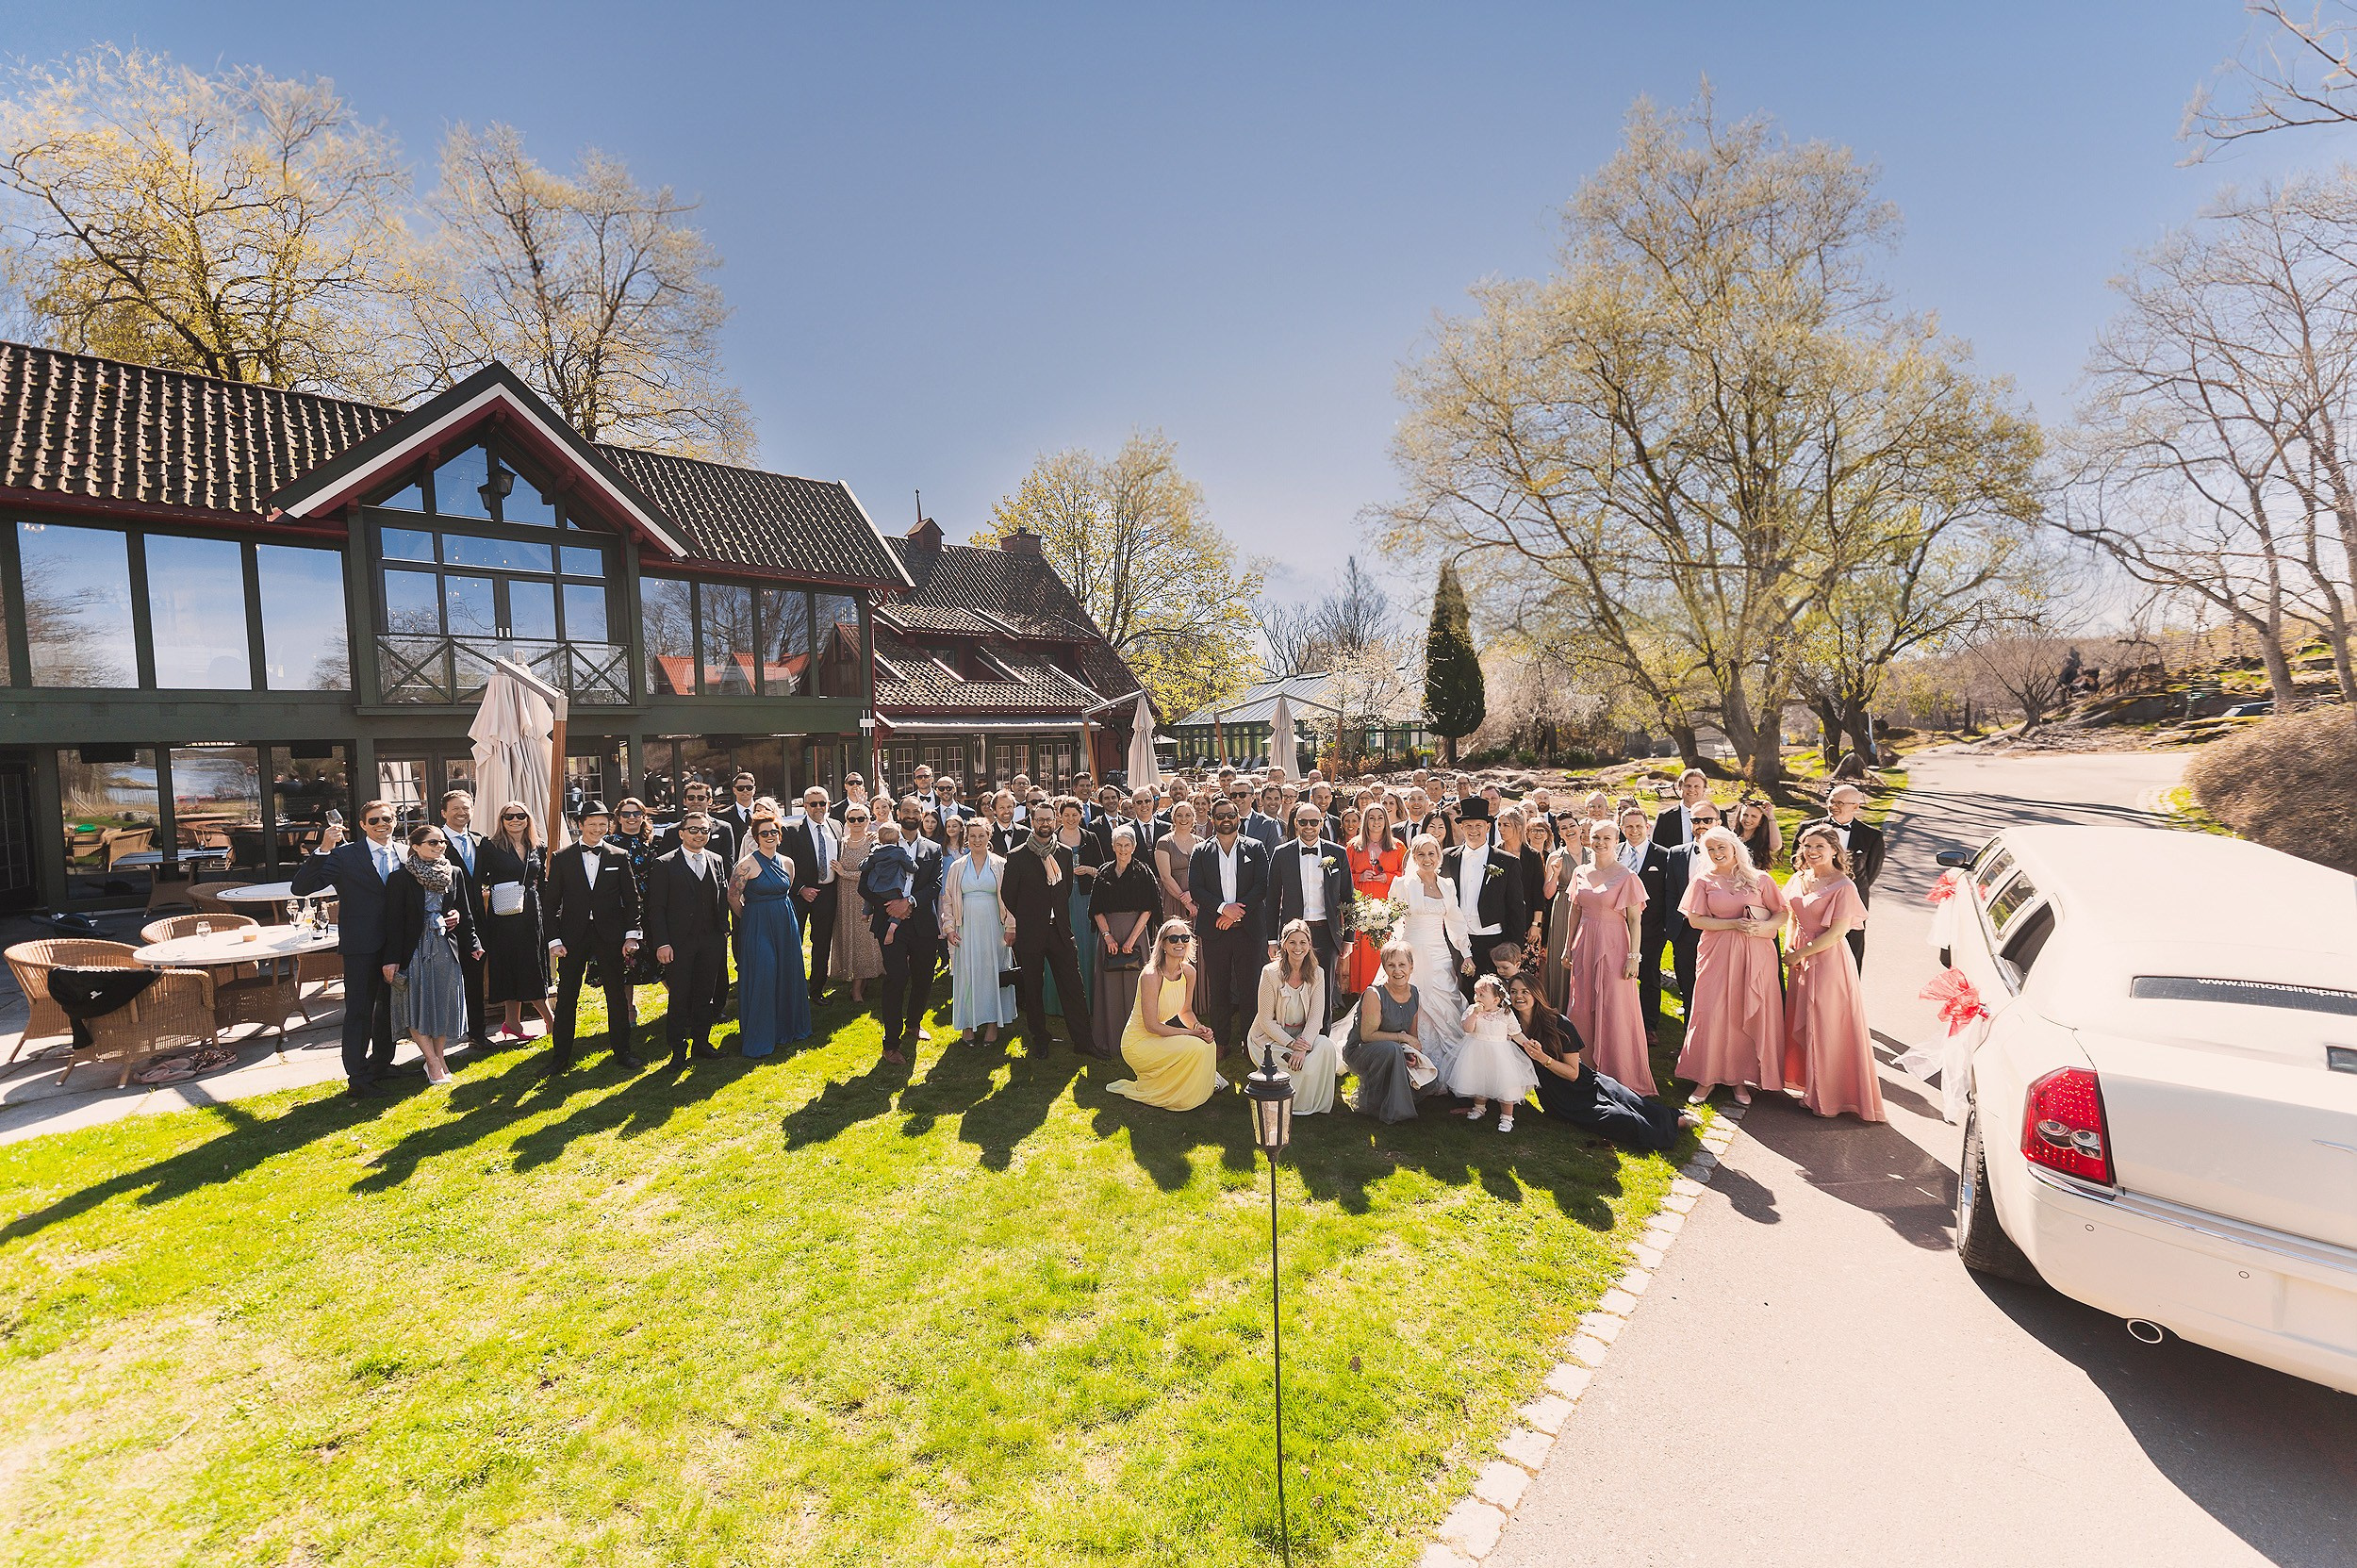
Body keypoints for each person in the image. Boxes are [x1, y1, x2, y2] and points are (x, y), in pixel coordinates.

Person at [291, 799, 412, 1098]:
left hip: (396, 944)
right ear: (362, 825)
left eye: (387, 819)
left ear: (395, 821)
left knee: (389, 1007)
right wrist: (323, 849)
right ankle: (357, 1076)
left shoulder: (405, 851)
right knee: (359, 1010)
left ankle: (382, 1063)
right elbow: (301, 888)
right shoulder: (345, 855)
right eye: (374, 820)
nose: (382, 824)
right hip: (361, 945)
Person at [1508, 976, 1694, 1152]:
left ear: (1536, 994)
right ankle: (1665, 1127)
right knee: (1620, 1119)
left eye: (1525, 991)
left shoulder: (1559, 1023)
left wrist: (1544, 1059)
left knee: (1634, 1102)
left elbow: (1573, 1073)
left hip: (1586, 1084)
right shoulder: (1511, 1027)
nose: (1519, 996)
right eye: (1514, 992)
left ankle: (1674, 1118)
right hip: (1559, 1099)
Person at [1673, 826, 1788, 1107]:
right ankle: (1706, 1077)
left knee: (1741, 1012)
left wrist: (1764, 927)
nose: (1716, 853)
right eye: (1710, 849)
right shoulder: (1703, 881)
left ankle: (1739, 1078)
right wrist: (1733, 924)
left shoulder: (1760, 879)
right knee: (1711, 1012)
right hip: (1717, 953)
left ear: (1734, 846)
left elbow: (1781, 912)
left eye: (1720, 847)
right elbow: (1696, 920)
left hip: (1755, 954)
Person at [1781, 823, 1885, 1122]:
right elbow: (1792, 915)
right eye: (1807, 846)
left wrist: (1801, 952)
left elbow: (1838, 933)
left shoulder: (1844, 886)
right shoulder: (1800, 878)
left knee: (1825, 1025)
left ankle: (1831, 1097)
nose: (1812, 852)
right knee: (1804, 1021)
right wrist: (1791, 945)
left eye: (1819, 847)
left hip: (1828, 962)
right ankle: (1810, 1086)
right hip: (1801, 958)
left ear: (1834, 851)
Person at [545, 801, 645, 1074]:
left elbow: (632, 899)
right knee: (567, 997)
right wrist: (554, 940)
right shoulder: (562, 857)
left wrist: (631, 936)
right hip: (573, 936)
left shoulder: (618, 855)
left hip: (610, 935)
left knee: (616, 995)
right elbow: (550, 903)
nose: (598, 829)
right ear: (580, 825)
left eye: (603, 824)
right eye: (592, 824)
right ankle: (560, 1057)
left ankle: (623, 1051)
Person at [999, 807, 1105, 1057]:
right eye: (1040, 819)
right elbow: (1008, 896)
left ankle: (1084, 1041)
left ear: (1054, 821)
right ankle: (1040, 1039)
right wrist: (1030, 917)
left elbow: (1065, 889)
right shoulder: (1017, 856)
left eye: (1049, 819)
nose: (1045, 823)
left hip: (1060, 931)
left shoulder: (1065, 854)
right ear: (1033, 822)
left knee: (1073, 986)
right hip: (1031, 933)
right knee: (1034, 988)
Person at [1560, 817, 1655, 1095]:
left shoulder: (1627, 876)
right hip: (1584, 941)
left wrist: (1633, 956)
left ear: (1617, 842)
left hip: (1615, 944)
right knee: (1582, 1004)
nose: (1600, 843)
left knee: (1615, 1006)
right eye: (1596, 837)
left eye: (1606, 838)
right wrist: (1568, 946)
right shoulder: (1580, 872)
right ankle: (1582, 1068)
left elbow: (1635, 920)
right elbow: (1575, 911)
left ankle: (1619, 1071)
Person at [384, 822, 480, 1086]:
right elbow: (393, 921)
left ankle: (437, 1056)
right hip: (414, 948)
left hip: (445, 948)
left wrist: (472, 942)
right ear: (415, 847)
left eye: (442, 842)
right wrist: (391, 958)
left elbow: (465, 911)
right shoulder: (400, 878)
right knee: (417, 1004)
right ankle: (434, 1061)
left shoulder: (454, 873)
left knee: (442, 1002)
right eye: (433, 842)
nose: (440, 846)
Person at [1187, 796, 1272, 1055]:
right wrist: (1224, 909)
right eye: (1220, 816)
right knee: (1219, 988)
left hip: (1248, 930)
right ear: (1213, 820)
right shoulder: (1201, 851)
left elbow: (1261, 886)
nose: (1226, 820)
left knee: (1250, 988)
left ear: (1239, 818)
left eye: (1231, 815)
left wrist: (1236, 913)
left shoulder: (1255, 848)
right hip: (1216, 931)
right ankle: (1221, 1041)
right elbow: (1196, 889)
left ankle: (1249, 1041)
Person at [861, 801, 944, 1067]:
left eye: (915, 812)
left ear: (922, 815)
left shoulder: (933, 849)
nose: (910, 816)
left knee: (923, 977)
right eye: (905, 812)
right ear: (898, 815)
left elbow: (935, 885)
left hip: (922, 924)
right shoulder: (882, 845)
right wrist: (890, 905)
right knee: (896, 978)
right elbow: (864, 885)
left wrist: (909, 903)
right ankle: (891, 1043)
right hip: (889, 924)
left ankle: (914, 1024)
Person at [1108, 919, 1222, 1110]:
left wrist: (1198, 1028)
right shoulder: (1151, 975)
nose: (1180, 943)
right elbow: (1151, 1026)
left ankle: (1194, 1091)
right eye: (1174, 939)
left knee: (1209, 1044)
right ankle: (1183, 1098)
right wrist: (1190, 1034)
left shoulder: (1189, 972)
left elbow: (1185, 1011)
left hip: (1159, 1037)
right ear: (1163, 945)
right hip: (1138, 1043)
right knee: (1196, 1047)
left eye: (1185, 938)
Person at [645, 812, 731, 1065]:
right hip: (678, 943)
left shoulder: (716, 860)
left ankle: (702, 1043)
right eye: (693, 830)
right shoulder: (664, 863)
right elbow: (656, 908)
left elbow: (721, 897)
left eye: (704, 830)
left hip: (711, 940)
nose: (699, 835)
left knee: (706, 995)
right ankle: (678, 1050)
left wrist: (722, 931)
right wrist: (662, 942)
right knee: (680, 996)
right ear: (681, 834)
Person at [731, 814, 812, 1056]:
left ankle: (787, 1027)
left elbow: (786, 889)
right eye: (764, 833)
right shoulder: (746, 864)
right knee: (764, 972)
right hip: (758, 923)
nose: (769, 836)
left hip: (785, 921)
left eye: (773, 832)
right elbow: (733, 897)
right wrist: (751, 918)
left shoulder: (787, 862)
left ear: (780, 835)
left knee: (788, 971)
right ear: (756, 838)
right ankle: (761, 1034)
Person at [476, 801, 553, 1044]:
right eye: (509, 816)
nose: (515, 820)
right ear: (502, 820)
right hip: (503, 916)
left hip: (531, 912)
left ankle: (512, 1023)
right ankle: (551, 1021)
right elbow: (479, 879)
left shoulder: (538, 847)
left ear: (528, 819)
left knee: (532, 963)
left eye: (520, 815)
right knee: (512, 965)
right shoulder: (490, 847)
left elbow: (544, 881)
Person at [1250, 919, 1341, 1114]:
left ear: (1309, 945)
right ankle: (1286, 1102)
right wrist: (1292, 1045)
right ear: (1284, 944)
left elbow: (1317, 1017)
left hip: (1302, 1035)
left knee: (1325, 1048)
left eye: (1302, 942)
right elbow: (1265, 1020)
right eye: (1292, 942)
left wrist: (1303, 1046)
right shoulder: (1270, 973)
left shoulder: (1318, 973)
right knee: (1289, 1061)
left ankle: (1310, 1104)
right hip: (1271, 1037)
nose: (1297, 948)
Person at [1268, 803, 1347, 1025]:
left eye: (1314, 822)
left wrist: (1348, 938)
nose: (1309, 826)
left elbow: (1348, 898)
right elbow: (1272, 899)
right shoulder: (1282, 853)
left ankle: (1322, 1040)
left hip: (1326, 932)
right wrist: (1273, 939)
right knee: (1294, 986)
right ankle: (1294, 1036)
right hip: (1294, 934)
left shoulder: (1337, 853)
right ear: (1296, 824)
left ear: (1321, 823)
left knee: (1324, 989)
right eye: (1303, 822)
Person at [943, 816, 1017, 1048]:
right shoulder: (957, 867)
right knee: (968, 973)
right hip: (966, 928)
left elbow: (1011, 898)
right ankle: (968, 1024)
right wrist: (949, 928)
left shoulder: (1001, 864)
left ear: (989, 837)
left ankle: (993, 1023)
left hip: (994, 926)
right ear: (966, 839)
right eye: (972, 836)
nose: (977, 840)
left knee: (992, 971)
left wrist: (1011, 927)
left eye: (981, 836)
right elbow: (947, 901)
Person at [1089, 823, 1162, 1058]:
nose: (1123, 849)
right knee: (1108, 989)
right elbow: (1096, 908)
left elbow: (1149, 909)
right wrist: (1108, 936)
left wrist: (1132, 939)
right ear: (1112, 846)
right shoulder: (1103, 872)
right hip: (1108, 936)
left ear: (1134, 846)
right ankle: (1110, 1039)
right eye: (1119, 845)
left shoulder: (1143, 872)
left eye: (1127, 845)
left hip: (1136, 935)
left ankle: (1139, 1041)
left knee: (1136, 988)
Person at [1793, 784, 1885, 969]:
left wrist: (1844, 891)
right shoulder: (1807, 828)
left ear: (1856, 807)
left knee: (1851, 952)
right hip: (1814, 899)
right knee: (1812, 946)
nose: (1834, 806)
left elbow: (1870, 872)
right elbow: (1798, 864)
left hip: (1850, 903)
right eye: (1831, 801)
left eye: (1840, 802)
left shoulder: (1871, 836)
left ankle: (1849, 993)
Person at [1343, 941, 1437, 1123]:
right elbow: (1367, 1036)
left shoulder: (1415, 993)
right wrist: (1401, 1038)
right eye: (1391, 965)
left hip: (1393, 1049)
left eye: (1402, 965)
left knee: (1429, 1078)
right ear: (1384, 967)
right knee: (1391, 1050)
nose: (1397, 971)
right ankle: (1390, 1109)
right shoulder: (1374, 994)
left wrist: (1412, 1055)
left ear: (1411, 966)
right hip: (1362, 1050)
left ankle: (1394, 1100)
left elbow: (1413, 1036)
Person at [1441, 800, 1524, 999]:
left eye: (1479, 825)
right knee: (1457, 994)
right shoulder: (1447, 857)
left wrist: (1514, 947)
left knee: (1490, 997)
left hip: (1491, 941)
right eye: (1468, 825)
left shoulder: (1507, 862)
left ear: (1488, 827)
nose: (1473, 830)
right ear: (1461, 827)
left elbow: (1516, 908)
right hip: (1457, 940)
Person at [1448, 973, 1540, 1130]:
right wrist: (1475, 1014)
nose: (1477, 998)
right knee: (1479, 1080)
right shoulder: (1472, 1010)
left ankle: (1507, 1117)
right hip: (1477, 1053)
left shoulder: (1505, 1013)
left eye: (1482, 995)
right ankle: (1479, 1108)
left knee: (1506, 1085)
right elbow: (1467, 1029)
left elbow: (1515, 1033)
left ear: (1496, 1000)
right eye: (1476, 994)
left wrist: (1527, 1043)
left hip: (1501, 1055)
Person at [437, 790, 491, 1051]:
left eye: (466, 808)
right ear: (444, 813)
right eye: (455, 808)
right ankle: (440, 1038)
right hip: (445, 923)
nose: (461, 813)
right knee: (442, 981)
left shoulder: (480, 841)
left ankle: (477, 1034)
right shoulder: (434, 841)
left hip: (477, 921)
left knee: (474, 978)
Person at [1390, 831, 1472, 1000]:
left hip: (1439, 951)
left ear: (1438, 855)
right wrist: (1394, 948)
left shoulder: (1447, 885)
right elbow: (1394, 920)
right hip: (1410, 948)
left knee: (1443, 994)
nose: (1427, 859)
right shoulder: (1402, 884)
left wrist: (1466, 953)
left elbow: (1455, 922)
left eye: (1431, 854)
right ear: (1414, 857)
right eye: (1421, 854)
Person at [781, 787, 843, 1003]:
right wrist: (800, 889)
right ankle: (792, 989)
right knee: (793, 942)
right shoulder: (791, 830)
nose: (818, 808)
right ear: (805, 806)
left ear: (828, 804)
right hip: (799, 895)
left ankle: (816, 990)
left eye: (822, 803)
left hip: (827, 893)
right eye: (813, 804)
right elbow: (783, 867)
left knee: (822, 942)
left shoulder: (836, 826)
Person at [1341, 802, 1407, 997]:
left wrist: (1388, 877)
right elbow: (1344, 877)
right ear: (1365, 821)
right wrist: (1359, 877)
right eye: (1371, 818)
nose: (1376, 822)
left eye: (1380, 818)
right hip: (1361, 903)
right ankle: (1361, 991)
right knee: (1363, 949)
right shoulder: (1353, 846)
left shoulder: (1398, 846)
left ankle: (1386, 991)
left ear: (1386, 821)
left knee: (1384, 948)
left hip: (1387, 904)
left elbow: (1406, 876)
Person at [1045, 797, 1102, 1017]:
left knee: (1085, 946)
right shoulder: (1051, 838)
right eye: (1066, 815)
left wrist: (1088, 870)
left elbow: (1103, 869)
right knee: (1059, 945)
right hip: (1059, 900)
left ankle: (1087, 1000)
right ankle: (1057, 1002)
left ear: (1082, 815)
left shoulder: (1091, 838)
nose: (1070, 819)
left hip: (1085, 899)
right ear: (1060, 816)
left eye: (1075, 815)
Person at [1662, 801, 1721, 1015]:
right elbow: (1670, 893)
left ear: (1718, 823)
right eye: (1696, 820)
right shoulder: (1676, 853)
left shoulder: (1731, 854)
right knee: (1687, 981)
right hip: (1684, 930)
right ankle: (1689, 1031)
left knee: (1716, 984)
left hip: (1718, 929)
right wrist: (1672, 926)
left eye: (1707, 820)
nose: (1701, 824)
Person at [1617, 804, 1667, 1040]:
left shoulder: (1663, 855)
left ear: (1647, 827)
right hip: (1617, 927)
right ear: (1622, 828)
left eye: (1638, 826)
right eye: (1629, 826)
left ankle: (1649, 1026)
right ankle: (1621, 1021)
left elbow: (1668, 893)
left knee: (1649, 975)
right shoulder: (1614, 853)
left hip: (1652, 928)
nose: (1634, 830)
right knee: (1617, 975)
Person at [832, 801, 884, 1003]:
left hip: (866, 898)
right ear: (846, 821)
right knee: (850, 938)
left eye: (861, 818)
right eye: (851, 819)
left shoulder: (873, 842)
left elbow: (873, 872)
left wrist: (845, 873)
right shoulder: (841, 843)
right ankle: (858, 981)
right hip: (845, 898)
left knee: (866, 940)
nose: (856, 822)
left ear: (868, 820)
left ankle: (858, 987)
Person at [1653, 768, 1713, 850]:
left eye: (1697, 786)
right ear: (1679, 787)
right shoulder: (1665, 817)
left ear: (1704, 790)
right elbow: (1657, 849)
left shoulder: (1716, 816)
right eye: (1688, 786)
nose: (1692, 789)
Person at [1732, 798, 1781, 874]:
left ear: (1761, 821)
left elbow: (1776, 846)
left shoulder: (1762, 840)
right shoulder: (1731, 837)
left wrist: (1770, 816)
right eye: (1745, 815)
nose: (1748, 820)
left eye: (1754, 816)